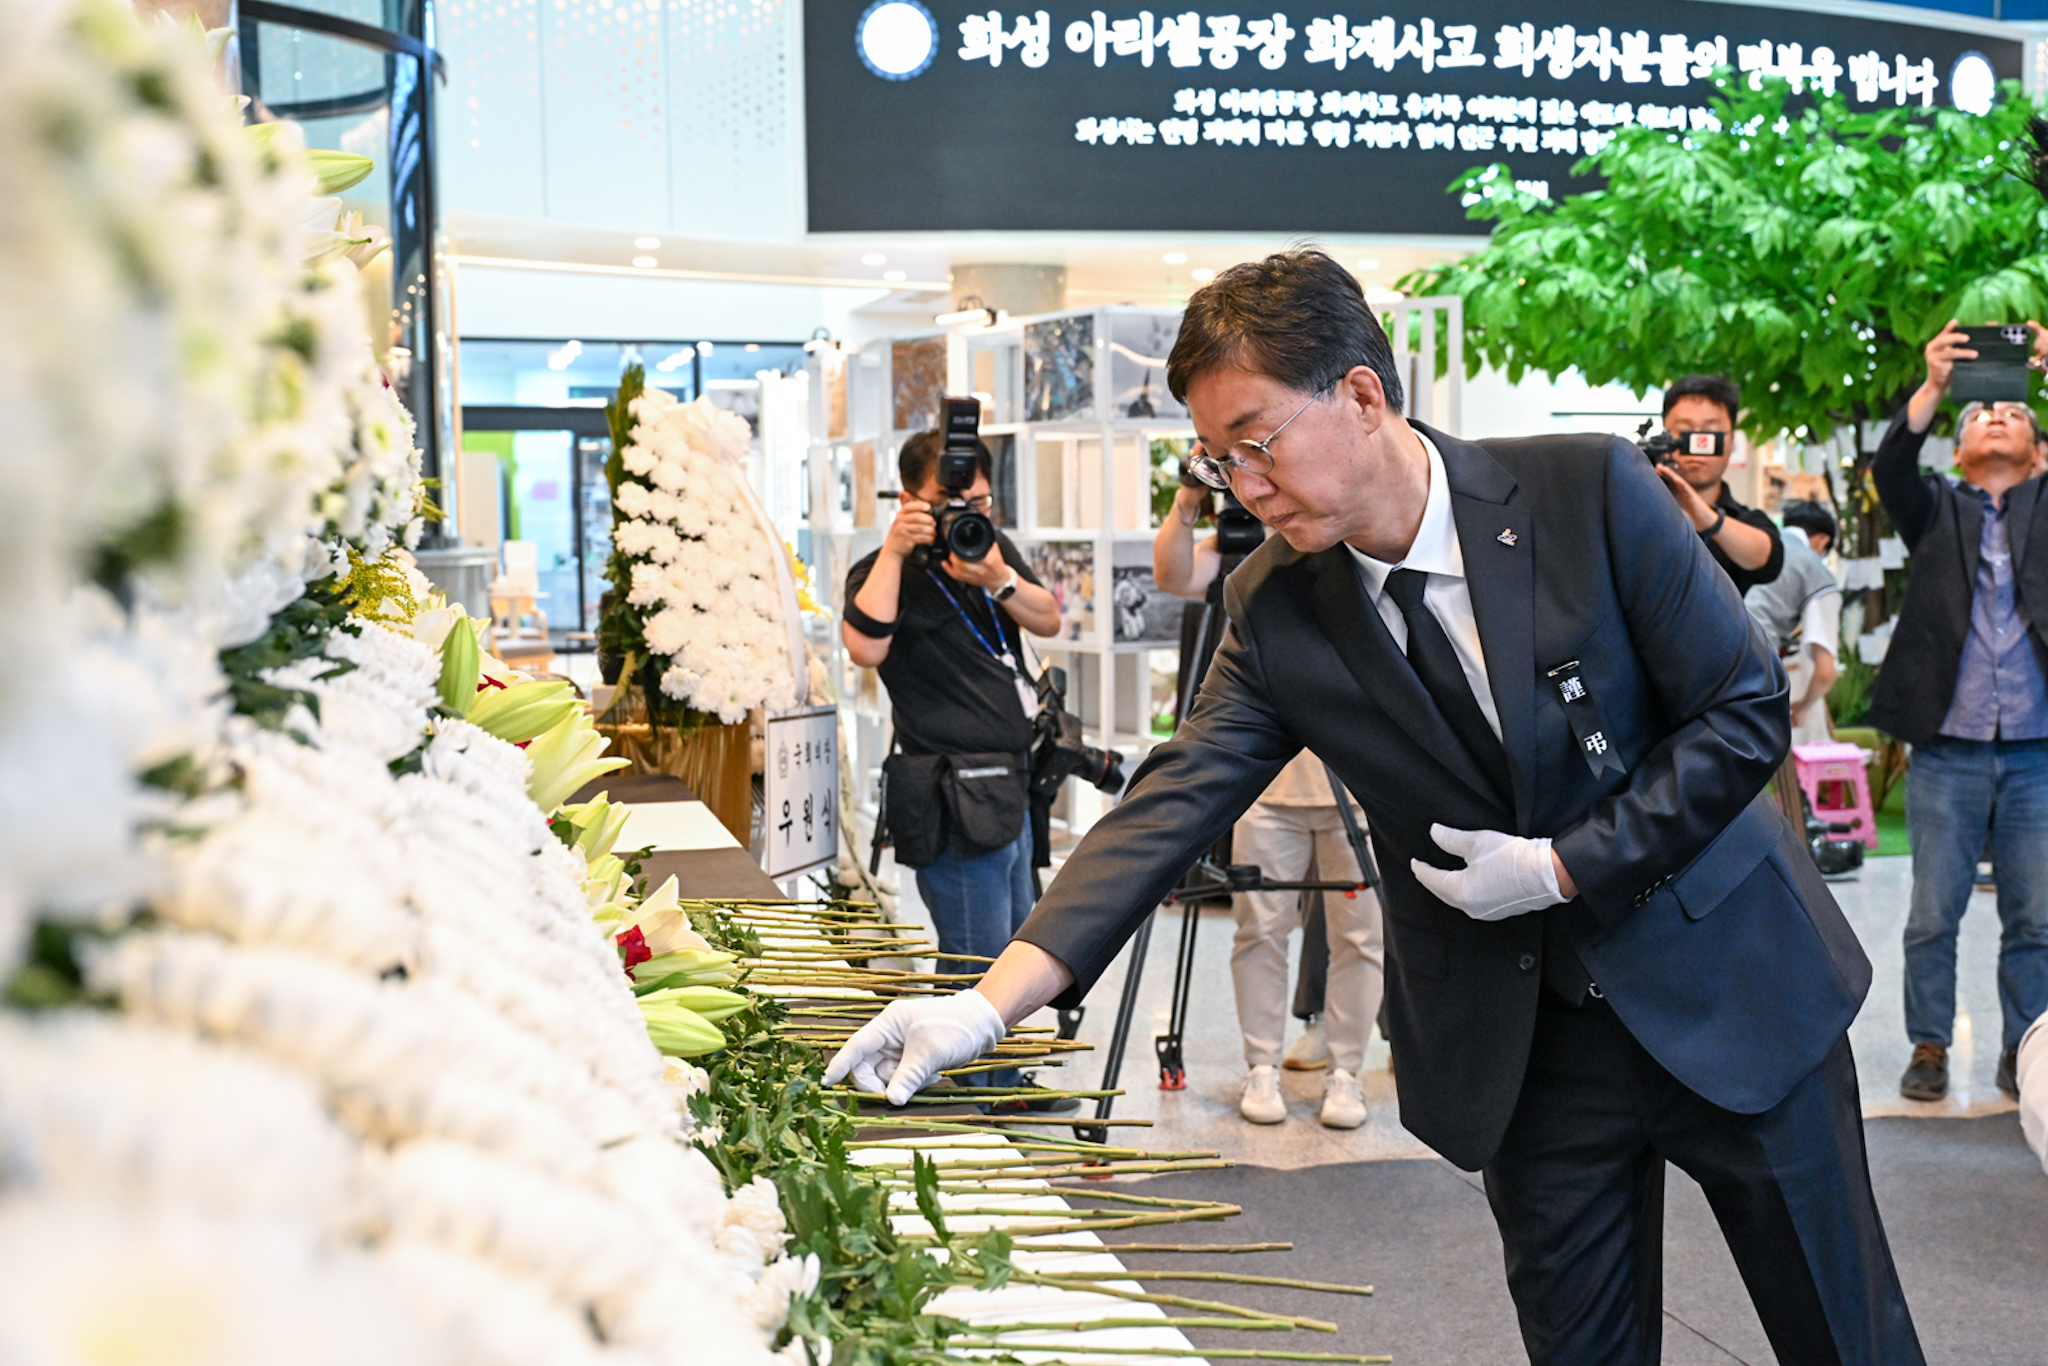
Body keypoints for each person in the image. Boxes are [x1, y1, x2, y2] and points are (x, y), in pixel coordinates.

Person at [828, 249, 1919, 1365]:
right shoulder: (1275, 605)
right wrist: (989, 1002)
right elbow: (1175, 795)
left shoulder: (1583, 491)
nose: (1244, 485)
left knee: (1845, 1336)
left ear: (1359, 392)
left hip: (1726, 979)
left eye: (1256, 442)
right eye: (1217, 458)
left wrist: (1560, 865)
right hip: (1527, 1044)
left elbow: (1741, 711)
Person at [1155, 476, 1384, 1129]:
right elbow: (1172, 575)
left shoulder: (1356, 540)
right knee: (1260, 926)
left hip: (1356, 778)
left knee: (1361, 936)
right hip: (1267, 782)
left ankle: (1347, 1073)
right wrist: (1188, 499)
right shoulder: (1246, 554)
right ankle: (1261, 1065)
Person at [841, 427, 1063, 1100]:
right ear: (910, 497)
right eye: (948, 500)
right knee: (973, 952)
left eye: (979, 499)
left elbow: (1048, 618)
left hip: (1014, 784)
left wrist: (997, 577)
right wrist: (897, 547)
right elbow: (865, 646)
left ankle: (1001, 1075)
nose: (967, 513)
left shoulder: (989, 550)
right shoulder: (885, 570)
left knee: (1019, 942)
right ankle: (974, 1090)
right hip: (949, 793)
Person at [1868, 318, 2048, 1105]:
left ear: (2040, 452)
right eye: (1979, 415)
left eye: (2013, 412)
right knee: (1930, 916)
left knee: (2037, 921)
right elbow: (1892, 465)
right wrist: (1938, 384)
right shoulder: (1936, 510)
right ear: (1959, 446)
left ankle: (2029, 1051)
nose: (1995, 416)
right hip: (1947, 750)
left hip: (2040, 752)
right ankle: (1931, 1046)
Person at [1657, 374, 1785, 595]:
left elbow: (1768, 559)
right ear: (1665, 435)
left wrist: (1709, 520)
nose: (1697, 443)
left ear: (1730, 441)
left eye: (1710, 432)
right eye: (1685, 431)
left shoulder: (1746, 521)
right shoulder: (1637, 507)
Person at [1745, 500, 1843, 748]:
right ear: (1822, 540)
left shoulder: (1752, 544)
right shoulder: (1816, 572)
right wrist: (1802, 707)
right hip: (1755, 668)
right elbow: (1825, 670)